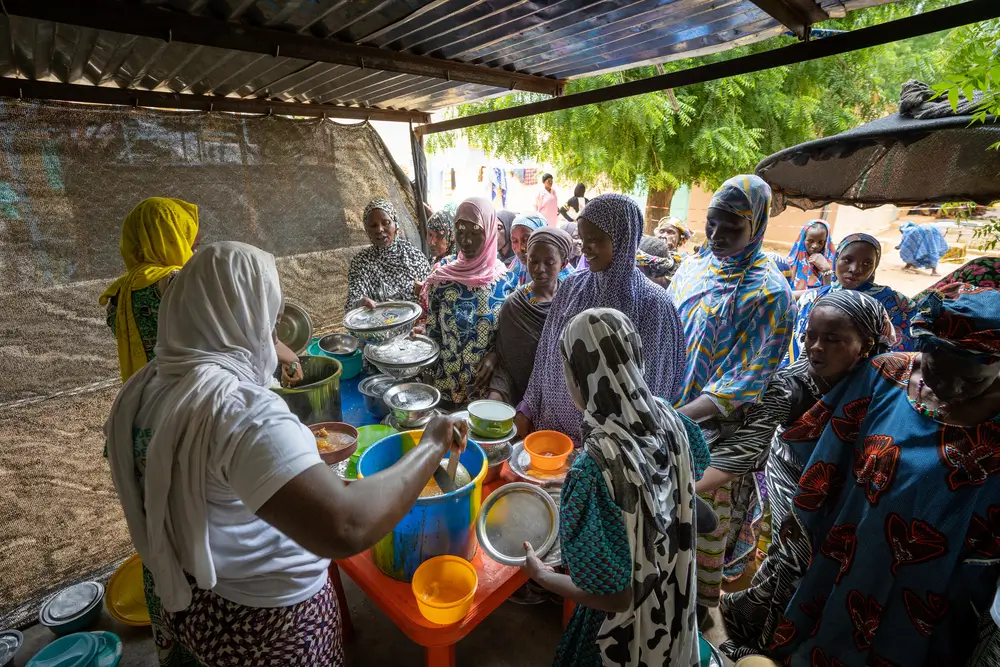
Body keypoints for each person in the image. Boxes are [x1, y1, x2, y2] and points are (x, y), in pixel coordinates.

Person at [105, 241, 469, 667]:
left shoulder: (146, 389)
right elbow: (346, 524)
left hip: (200, 604)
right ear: (237, 318)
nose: (271, 338)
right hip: (269, 625)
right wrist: (431, 442)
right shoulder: (236, 409)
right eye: (269, 323)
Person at [753, 284, 1000, 666]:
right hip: (850, 547)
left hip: (937, 584)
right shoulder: (886, 376)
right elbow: (818, 455)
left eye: (970, 383)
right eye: (937, 372)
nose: (949, 390)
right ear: (925, 349)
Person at [718, 290, 896, 660]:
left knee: (828, 567)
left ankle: (765, 622)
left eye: (832, 339)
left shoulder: (886, 382)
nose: (815, 348)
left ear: (865, 344)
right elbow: (747, 447)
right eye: (810, 336)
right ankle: (763, 642)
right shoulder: (792, 384)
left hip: (848, 483)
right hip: (793, 476)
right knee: (793, 561)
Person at [521, 308, 699, 667]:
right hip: (675, 604)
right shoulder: (673, 419)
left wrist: (540, 576)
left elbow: (615, 597)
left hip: (627, 636)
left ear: (579, 378)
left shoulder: (593, 468)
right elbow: (686, 502)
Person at [666, 175, 794, 610]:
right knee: (660, 522)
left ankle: (698, 609)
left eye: (732, 228)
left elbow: (744, 381)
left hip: (718, 438)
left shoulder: (771, 293)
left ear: (756, 226)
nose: (717, 236)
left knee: (703, 529)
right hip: (668, 415)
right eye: (712, 223)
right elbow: (668, 335)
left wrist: (677, 417)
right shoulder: (692, 268)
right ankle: (659, 600)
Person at [518, 194, 688, 446]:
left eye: (595, 239)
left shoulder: (652, 304)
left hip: (613, 449)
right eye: (583, 239)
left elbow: (654, 389)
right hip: (552, 433)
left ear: (623, 238)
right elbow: (546, 352)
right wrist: (528, 407)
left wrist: (621, 448)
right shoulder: (572, 287)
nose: (585, 248)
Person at [101, 197, 301, 387]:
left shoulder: (118, 292)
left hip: (145, 391)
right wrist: (291, 358)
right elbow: (241, 334)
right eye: (192, 245)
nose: (196, 254)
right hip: (194, 388)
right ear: (169, 239)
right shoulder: (179, 283)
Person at [424, 196, 515, 405]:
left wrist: (495, 355)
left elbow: (509, 337)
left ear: (490, 232)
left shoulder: (504, 281)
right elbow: (433, 332)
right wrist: (427, 376)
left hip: (485, 391)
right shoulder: (443, 277)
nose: (466, 241)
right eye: (461, 232)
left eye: (475, 233)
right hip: (445, 386)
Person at [786, 233, 915, 365]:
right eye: (847, 260)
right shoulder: (813, 298)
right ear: (836, 259)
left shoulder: (892, 303)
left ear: (875, 267)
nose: (855, 269)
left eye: (867, 263)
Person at [480, 227, 573, 406]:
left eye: (549, 262)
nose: (539, 269)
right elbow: (507, 366)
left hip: (563, 401)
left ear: (564, 264)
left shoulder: (570, 301)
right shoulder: (514, 306)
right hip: (521, 400)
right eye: (533, 260)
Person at [345, 198, 430, 311]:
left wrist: (424, 292)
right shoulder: (361, 263)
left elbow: (433, 298)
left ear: (396, 225)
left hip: (416, 325)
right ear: (367, 230)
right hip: (378, 326)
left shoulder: (414, 257)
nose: (380, 229)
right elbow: (353, 299)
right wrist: (359, 304)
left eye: (386, 223)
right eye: (373, 225)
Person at [786, 219, 835, 292]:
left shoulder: (833, 266)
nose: (815, 246)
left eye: (821, 242)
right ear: (803, 240)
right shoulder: (789, 264)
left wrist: (826, 269)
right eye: (810, 241)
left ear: (826, 243)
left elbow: (830, 294)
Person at [425, 202, 457, 266]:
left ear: (450, 237)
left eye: (438, 237)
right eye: (429, 235)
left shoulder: (456, 267)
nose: (431, 242)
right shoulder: (436, 261)